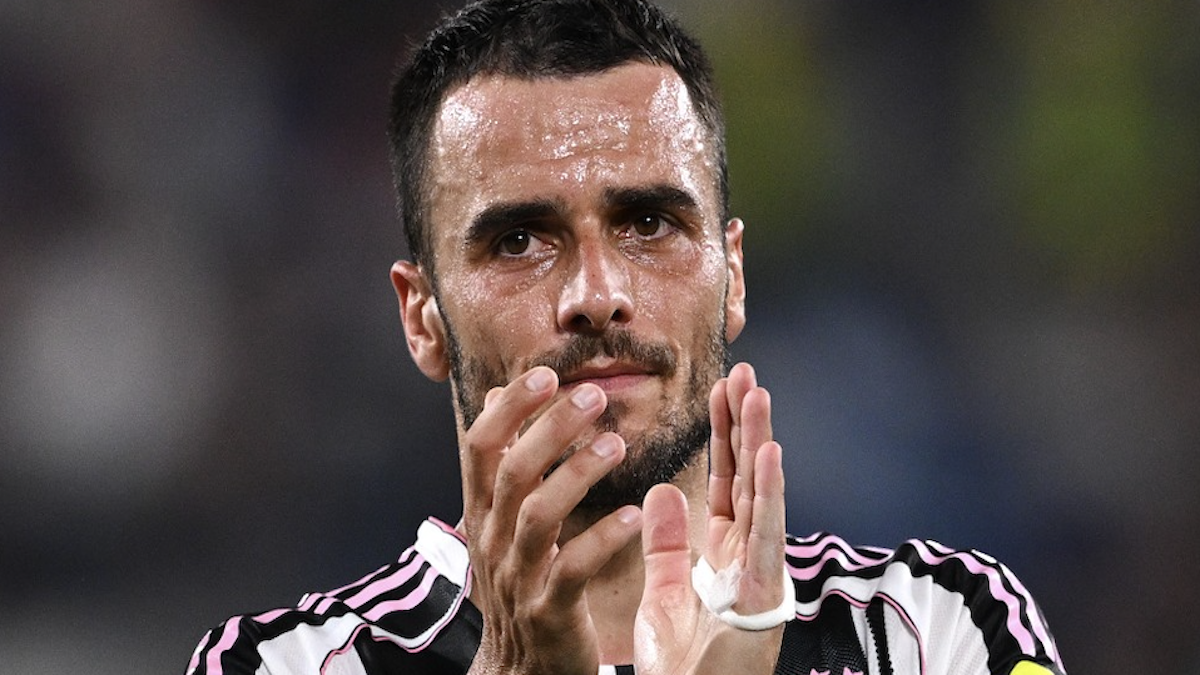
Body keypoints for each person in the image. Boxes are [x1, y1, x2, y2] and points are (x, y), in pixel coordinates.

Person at [186, 1, 1066, 673]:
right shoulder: (277, 665)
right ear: (423, 317)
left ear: (733, 275)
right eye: (519, 241)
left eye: (648, 223)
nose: (598, 295)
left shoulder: (941, 626)